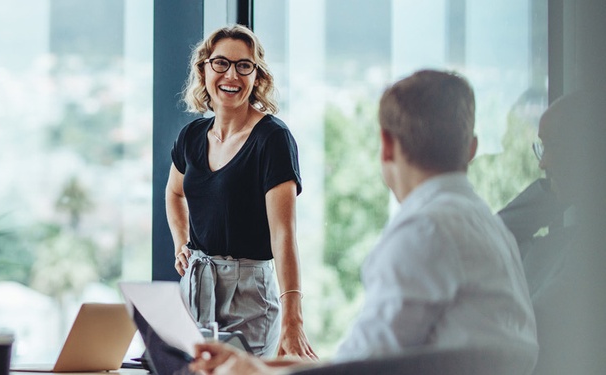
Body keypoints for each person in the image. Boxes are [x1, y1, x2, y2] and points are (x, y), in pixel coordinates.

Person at [190, 70, 539, 374]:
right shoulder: (488, 227)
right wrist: (259, 365)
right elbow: (364, 361)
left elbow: (360, 372)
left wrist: (254, 374)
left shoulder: (424, 232)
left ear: (386, 146)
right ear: (471, 149)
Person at [165, 24, 315, 359]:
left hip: (249, 293)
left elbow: (284, 235)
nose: (231, 75)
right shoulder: (191, 136)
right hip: (195, 286)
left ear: (257, 76)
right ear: (204, 70)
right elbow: (174, 194)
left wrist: (294, 319)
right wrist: (180, 243)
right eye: (220, 63)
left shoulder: (272, 139)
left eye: (243, 65)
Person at [519, 89, 606, 375]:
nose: (543, 163)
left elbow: (533, 324)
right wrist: (555, 191)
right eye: (541, 148)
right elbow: (492, 241)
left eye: (553, 146)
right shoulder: (567, 239)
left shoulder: (592, 250)